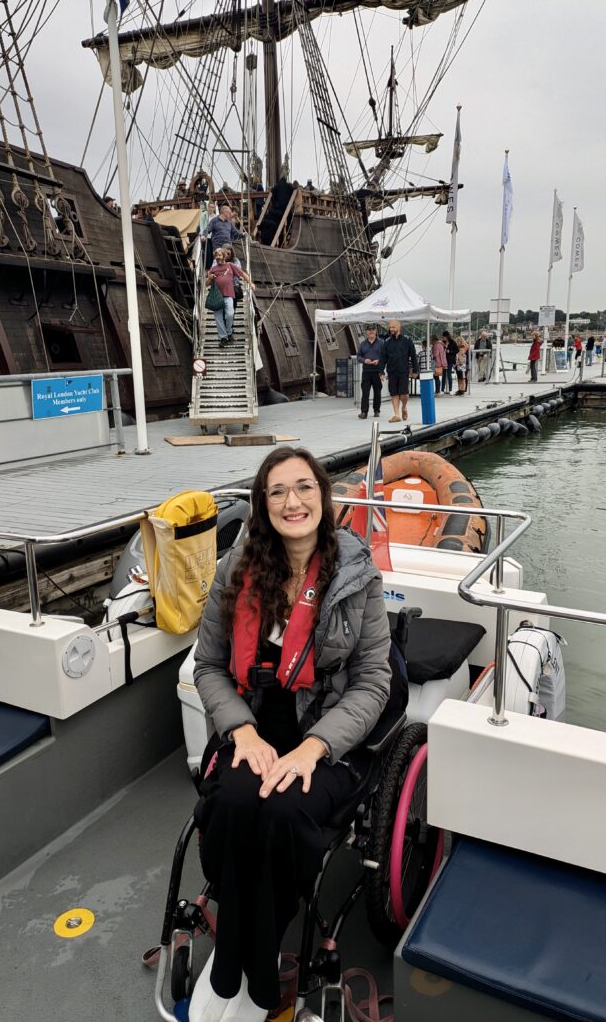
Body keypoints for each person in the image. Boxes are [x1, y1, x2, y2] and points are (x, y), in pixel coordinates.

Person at [190, 447, 391, 1022]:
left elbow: (374, 682)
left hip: (325, 733)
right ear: (262, 504)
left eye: (304, 488)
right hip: (254, 721)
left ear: (323, 498)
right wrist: (242, 733)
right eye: (277, 491)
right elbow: (208, 666)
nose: (292, 501)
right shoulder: (237, 570)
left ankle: (247, 962)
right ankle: (244, 955)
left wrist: (314, 747)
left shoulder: (356, 576)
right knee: (231, 801)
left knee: (280, 812)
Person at [207, 248, 255, 346]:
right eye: (216, 256)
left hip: (228, 295)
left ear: (224, 256)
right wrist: (210, 278)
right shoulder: (213, 269)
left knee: (230, 314)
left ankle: (229, 332)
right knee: (218, 318)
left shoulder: (230, 266)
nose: (217, 257)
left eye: (219, 255)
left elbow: (242, 274)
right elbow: (207, 284)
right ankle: (223, 338)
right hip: (216, 296)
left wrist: (250, 283)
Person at [378, 319, 418, 422]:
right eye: (390, 327)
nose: (391, 329)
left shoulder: (407, 340)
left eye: (393, 327)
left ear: (399, 327)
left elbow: (413, 356)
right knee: (394, 393)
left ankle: (404, 407)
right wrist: (381, 372)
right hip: (391, 371)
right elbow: (383, 358)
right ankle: (396, 415)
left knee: (404, 394)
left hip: (403, 370)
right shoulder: (387, 342)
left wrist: (415, 370)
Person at [356, 324, 385, 418]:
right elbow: (358, 356)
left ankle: (377, 410)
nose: (371, 331)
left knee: (377, 391)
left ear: (376, 331)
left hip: (377, 371)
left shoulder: (381, 343)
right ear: (366, 332)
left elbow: (386, 356)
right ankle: (364, 412)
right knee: (365, 392)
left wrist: (379, 361)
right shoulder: (362, 344)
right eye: (369, 330)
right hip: (366, 371)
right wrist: (364, 360)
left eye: (373, 329)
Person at [203, 204, 244, 268]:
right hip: (217, 246)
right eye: (229, 213)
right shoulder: (214, 221)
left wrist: (243, 235)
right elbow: (207, 229)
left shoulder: (229, 223)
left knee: (228, 263)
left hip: (227, 247)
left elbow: (235, 233)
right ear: (224, 212)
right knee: (217, 263)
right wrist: (203, 235)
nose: (230, 214)